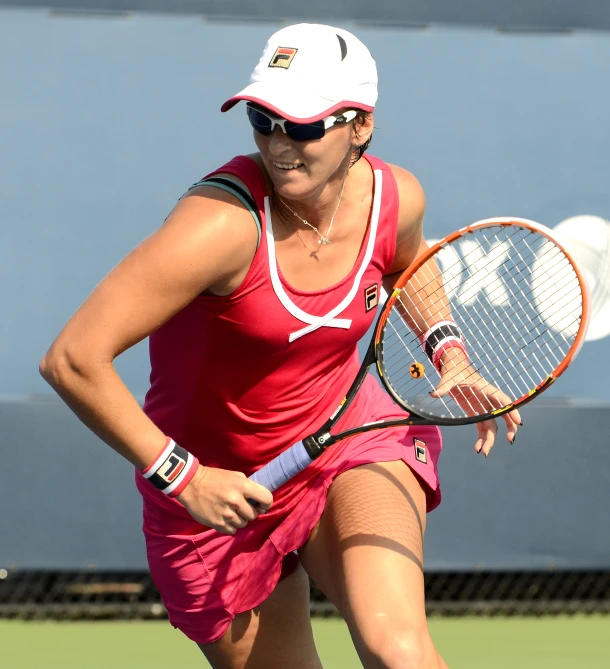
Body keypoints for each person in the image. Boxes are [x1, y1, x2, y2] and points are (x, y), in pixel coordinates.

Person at [40, 23, 520, 669]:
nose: (278, 143)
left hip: (347, 437)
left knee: (399, 650)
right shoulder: (218, 227)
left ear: (360, 126)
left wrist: (448, 351)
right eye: (263, 120)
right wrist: (183, 477)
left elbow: (409, 260)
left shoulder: (394, 197)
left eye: (302, 125)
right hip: (210, 494)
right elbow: (72, 358)